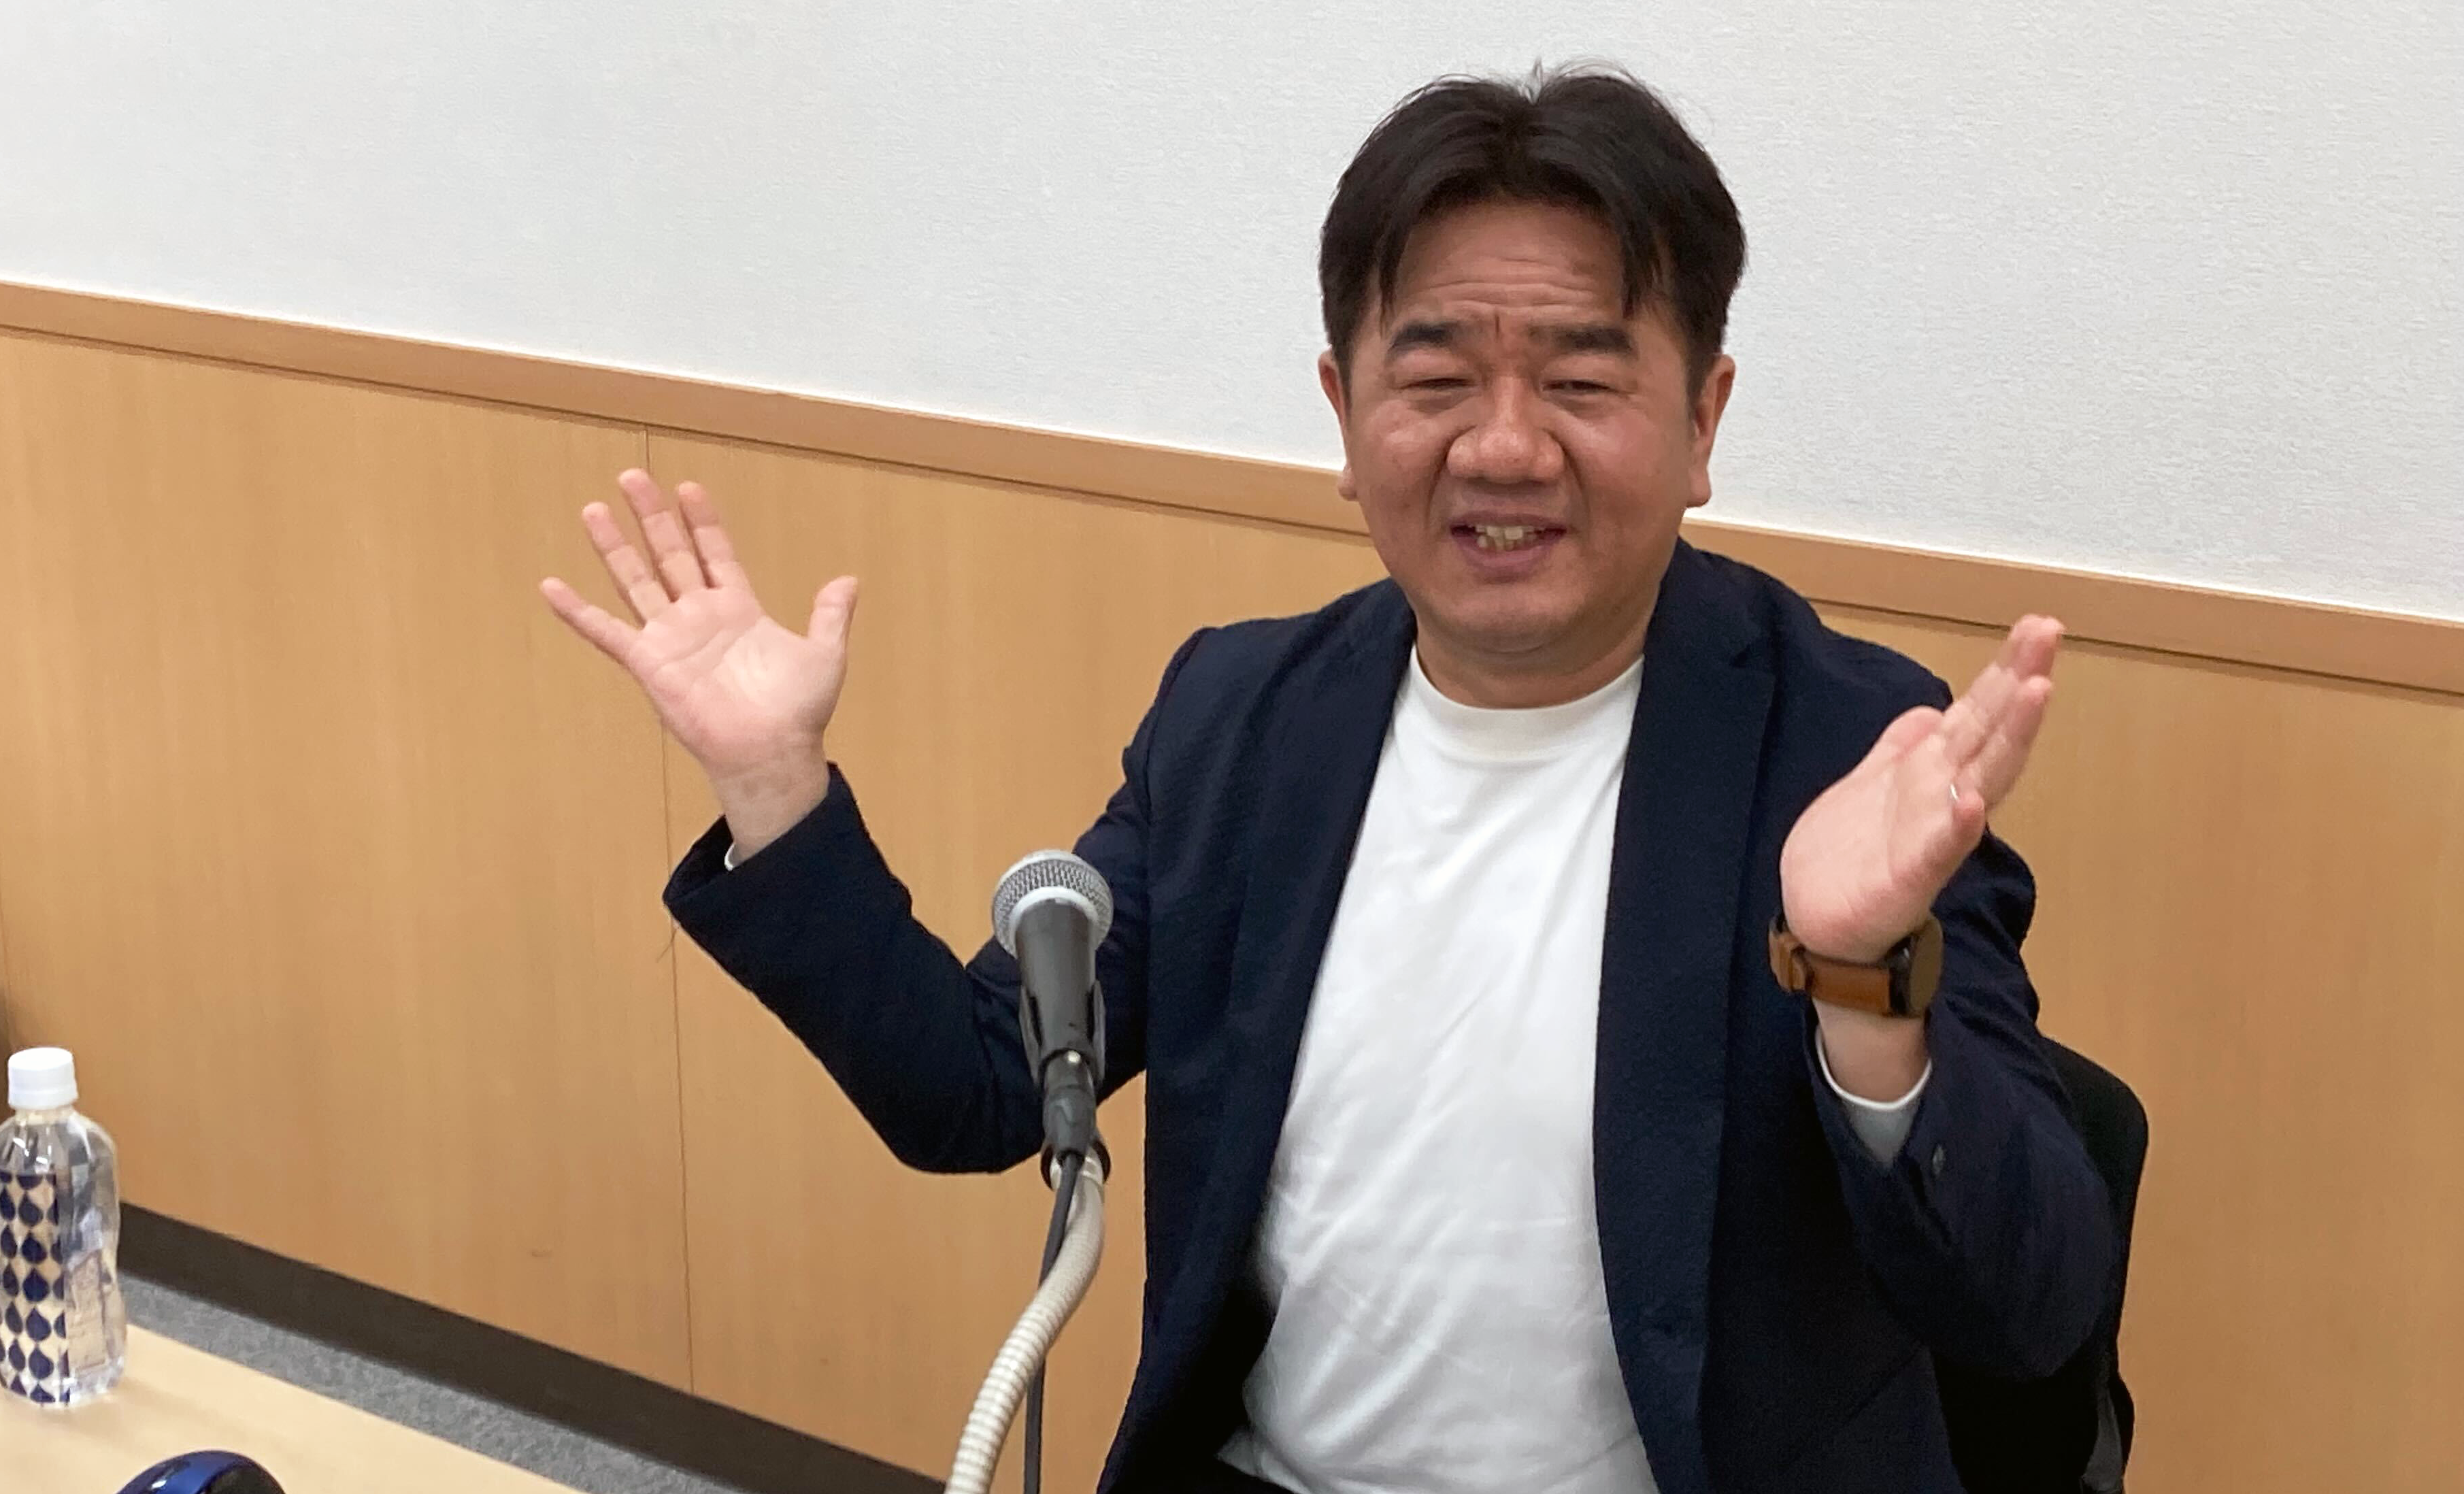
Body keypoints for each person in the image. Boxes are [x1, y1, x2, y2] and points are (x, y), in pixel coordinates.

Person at [542, 66, 2114, 1494]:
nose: (1503, 448)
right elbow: (977, 1090)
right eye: (1434, 379)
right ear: (1343, 418)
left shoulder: (1850, 744)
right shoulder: (1241, 718)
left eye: (1580, 382)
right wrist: (776, 788)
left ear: (1700, 418)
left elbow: (2028, 1307)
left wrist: (1859, 985)